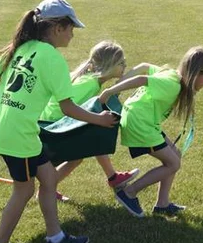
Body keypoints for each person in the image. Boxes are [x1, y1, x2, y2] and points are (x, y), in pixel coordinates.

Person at [0, 0, 119, 243]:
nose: (72, 34)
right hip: (19, 135)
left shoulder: (18, 47)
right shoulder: (52, 59)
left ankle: (55, 238)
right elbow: (68, 108)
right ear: (57, 28)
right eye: (71, 28)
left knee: (48, 178)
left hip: (8, 128)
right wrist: (99, 120)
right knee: (23, 190)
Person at [99, 46, 203, 217]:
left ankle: (162, 204)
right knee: (173, 164)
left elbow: (144, 66)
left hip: (146, 122)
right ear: (195, 74)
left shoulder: (172, 74)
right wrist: (110, 91)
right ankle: (128, 193)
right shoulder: (172, 85)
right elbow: (142, 78)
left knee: (175, 155)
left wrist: (118, 83)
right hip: (140, 123)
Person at [44, 40, 141, 198]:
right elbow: (68, 108)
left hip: (57, 122)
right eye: (121, 62)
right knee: (93, 135)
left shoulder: (91, 81)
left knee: (83, 149)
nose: (125, 65)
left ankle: (112, 177)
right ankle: (112, 177)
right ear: (109, 65)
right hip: (54, 126)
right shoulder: (89, 84)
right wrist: (98, 118)